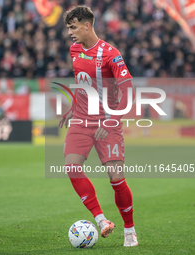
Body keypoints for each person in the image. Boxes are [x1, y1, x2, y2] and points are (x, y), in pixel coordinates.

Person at [59, 6, 138, 247]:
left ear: (86, 25)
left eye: (73, 27)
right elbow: (83, 85)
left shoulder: (110, 53)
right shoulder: (74, 50)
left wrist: (112, 120)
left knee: (116, 179)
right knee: (72, 167)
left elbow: (127, 89)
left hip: (108, 123)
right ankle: (102, 220)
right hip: (82, 121)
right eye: (68, 28)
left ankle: (129, 230)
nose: (70, 33)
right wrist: (74, 107)